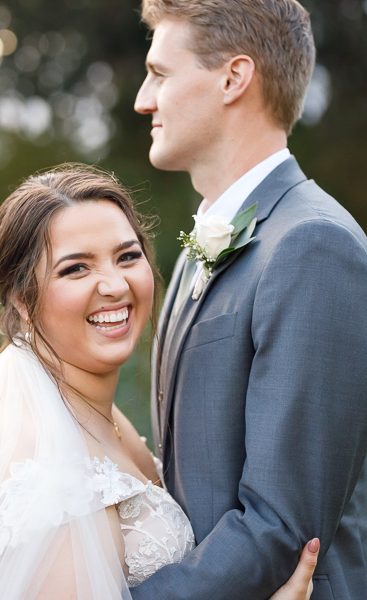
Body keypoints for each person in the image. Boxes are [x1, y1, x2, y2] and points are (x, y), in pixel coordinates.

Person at [0, 164, 318, 599]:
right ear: (23, 299)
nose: (115, 285)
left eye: (127, 256)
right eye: (76, 269)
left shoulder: (90, 406)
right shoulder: (36, 451)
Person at [131, 1, 367, 598]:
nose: (143, 99)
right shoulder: (198, 248)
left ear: (234, 78)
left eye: (160, 74)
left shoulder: (314, 246)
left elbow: (283, 529)